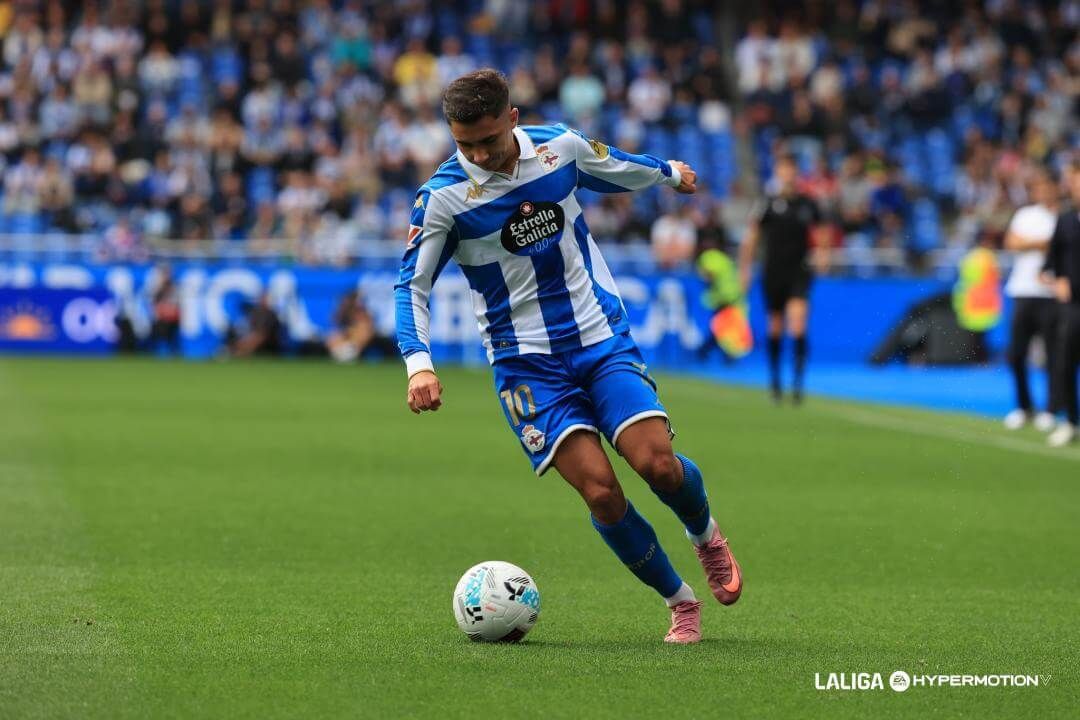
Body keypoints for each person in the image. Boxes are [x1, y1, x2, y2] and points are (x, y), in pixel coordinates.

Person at [395, 70, 742, 644]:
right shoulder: (442, 200)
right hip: (524, 364)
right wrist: (419, 363)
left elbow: (614, 165)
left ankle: (704, 534)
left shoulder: (560, 148)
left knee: (657, 463)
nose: (479, 154)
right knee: (602, 492)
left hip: (598, 337)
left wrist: (669, 173)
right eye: (465, 144)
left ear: (512, 118)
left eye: (488, 138)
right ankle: (680, 601)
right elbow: (411, 286)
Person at [739, 154, 829, 404]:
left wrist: (823, 254)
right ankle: (776, 383)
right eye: (783, 171)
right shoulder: (767, 203)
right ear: (778, 174)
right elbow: (752, 236)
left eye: (791, 170)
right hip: (773, 271)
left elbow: (822, 232)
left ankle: (798, 385)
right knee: (775, 326)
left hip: (799, 270)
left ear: (796, 173)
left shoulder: (808, 203)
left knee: (798, 323)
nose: (787, 175)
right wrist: (745, 269)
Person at [1002, 169, 1060, 432]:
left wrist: (1032, 243)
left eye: (1045, 186)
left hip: (1051, 294)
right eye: (1037, 187)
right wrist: (1043, 243)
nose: (1041, 191)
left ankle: (1051, 408)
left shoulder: (1064, 216)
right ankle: (1024, 406)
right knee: (1016, 354)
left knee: (1053, 355)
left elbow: (1059, 248)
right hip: (1023, 290)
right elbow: (1012, 243)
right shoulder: (1025, 214)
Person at [1044, 163, 1080, 447]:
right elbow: (1050, 265)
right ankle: (1070, 421)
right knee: (1065, 362)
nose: (1072, 186)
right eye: (1072, 181)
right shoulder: (1066, 220)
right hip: (1073, 306)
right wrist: (1057, 282)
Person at [326, 289, 396, 362]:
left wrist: (352, 331)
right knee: (334, 337)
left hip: (368, 337)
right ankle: (342, 353)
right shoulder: (344, 313)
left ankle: (350, 353)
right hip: (349, 336)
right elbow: (337, 325)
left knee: (363, 331)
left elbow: (368, 327)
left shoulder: (364, 313)